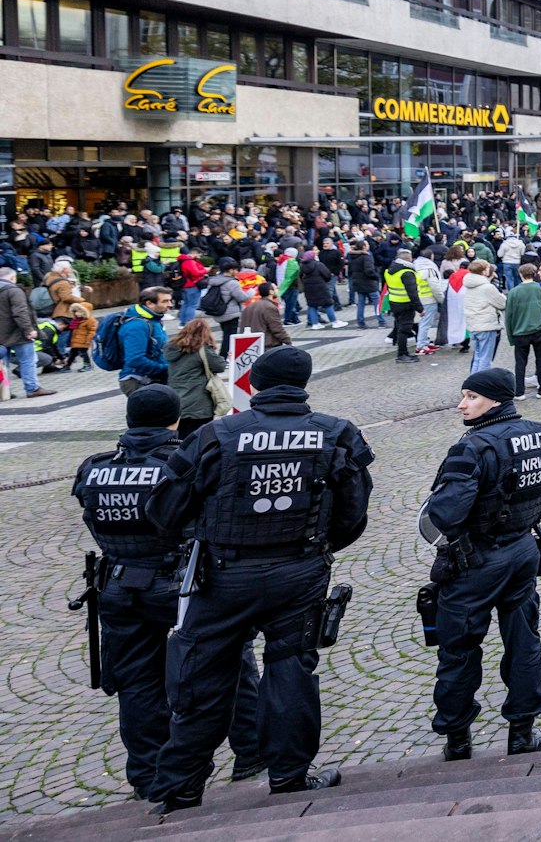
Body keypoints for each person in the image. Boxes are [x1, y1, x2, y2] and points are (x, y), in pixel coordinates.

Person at [145, 347, 375, 810]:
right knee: (291, 670)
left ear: (255, 384)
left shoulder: (216, 435)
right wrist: (316, 547)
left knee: (203, 673)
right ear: (304, 383)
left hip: (224, 574)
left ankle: (181, 785)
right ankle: (289, 776)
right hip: (300, 571)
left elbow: (165, 510)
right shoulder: (336, 434)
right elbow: (354, 513)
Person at [72, 385, 266, 801]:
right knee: (229, 663)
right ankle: (251, 751)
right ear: (174, 421)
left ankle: (146, 774)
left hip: (119, 585)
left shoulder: (94, 467)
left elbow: (92, 516)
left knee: (136, 684)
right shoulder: (180, 464)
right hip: (180, 583)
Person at [424, 368, 541, 760]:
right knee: (524, 641)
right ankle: (522, 732)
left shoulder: (471, 447)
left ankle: (457, 739)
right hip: (523, 552)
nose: (461, 404)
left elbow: (440, 517)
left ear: (495, 400)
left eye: (471, 396)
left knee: (458, 650)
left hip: (474, 562)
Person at [505, 265, 541, 398]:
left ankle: (519, 392)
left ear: (520, 274)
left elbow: (509, 317)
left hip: (520, 332)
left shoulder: (513, 292)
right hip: (539, 330)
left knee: (520, 363)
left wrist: (510, 336)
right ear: (535, 273)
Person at [165, 317, 226, 438]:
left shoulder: (171, 348)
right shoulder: (203, 350)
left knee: (180, 437)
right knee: (199, 439)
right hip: (199, 404)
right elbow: (220, 366)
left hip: (176, 402)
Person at [0, 266, 54, 397]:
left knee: (2, 363)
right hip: (18, 333)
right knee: (27, 360)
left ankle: (4, 391)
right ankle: (32, 388)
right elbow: (20, 312)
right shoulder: (13, 290)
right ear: (12, 277)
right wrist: (29, 329)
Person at [115, 286, 176, 394]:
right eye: (165, 301)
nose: (170, 305)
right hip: (140, 381)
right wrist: (166, 368)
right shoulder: (137, 326)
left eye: (170, 300)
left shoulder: (153, 319)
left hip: (155, 379)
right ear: (149, 304)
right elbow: (135, 359)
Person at [384, 251, 427, 363]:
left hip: (394, 302)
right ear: (408, 259)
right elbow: (413, 293)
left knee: (400, 328)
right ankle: (402, 354)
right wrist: (420, 309)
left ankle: (403, 352)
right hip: (406, 304)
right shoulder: (407, 273)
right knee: (404, 330)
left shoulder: (389, 270)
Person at [240, 283, 292, 348]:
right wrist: (288, 341)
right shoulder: (269, 307)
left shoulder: (250, 306)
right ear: (271, 292)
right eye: (276, 288)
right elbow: (277, 328)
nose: (278, 290)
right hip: (267, 345)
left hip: (250, 345)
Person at [344, 241, 378, 330]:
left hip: (358, 282)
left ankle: (361, 322)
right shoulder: (366, 256)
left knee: (361, 303)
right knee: (377, 302)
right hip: (369, 282)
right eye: (367, 244)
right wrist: (376, 277)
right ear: (363, 247)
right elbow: (369, 270)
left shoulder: (352, 256)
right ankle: (381, 321)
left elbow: (350, 270)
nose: (368, 246)